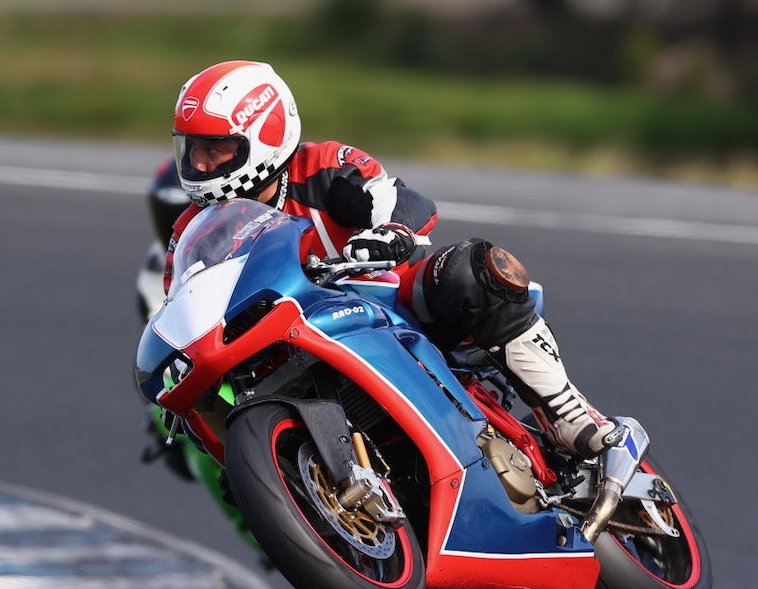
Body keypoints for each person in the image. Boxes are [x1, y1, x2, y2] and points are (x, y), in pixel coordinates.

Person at [164, 60, 618, 459]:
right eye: (192, 149)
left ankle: (567, 411)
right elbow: (179, 309)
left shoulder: (323, 167)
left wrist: (392, 232)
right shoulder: (191, 233)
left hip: (385, 311)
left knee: (469, 269)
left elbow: (400, 199)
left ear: (264, 137)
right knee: (198, 408)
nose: (199, 165)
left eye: (215, 148)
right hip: (287, 356)